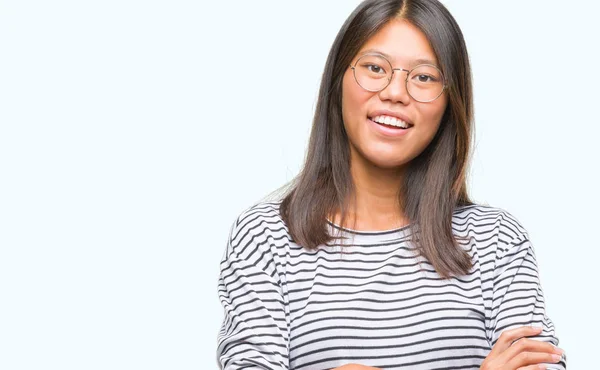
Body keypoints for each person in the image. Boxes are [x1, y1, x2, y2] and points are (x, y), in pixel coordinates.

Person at [216, 0, 566, 369]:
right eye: (374, 68)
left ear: (451, 101)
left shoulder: (497, 240)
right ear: (338, 79)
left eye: (424, 77)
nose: (395, 92)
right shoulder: (264, 236)